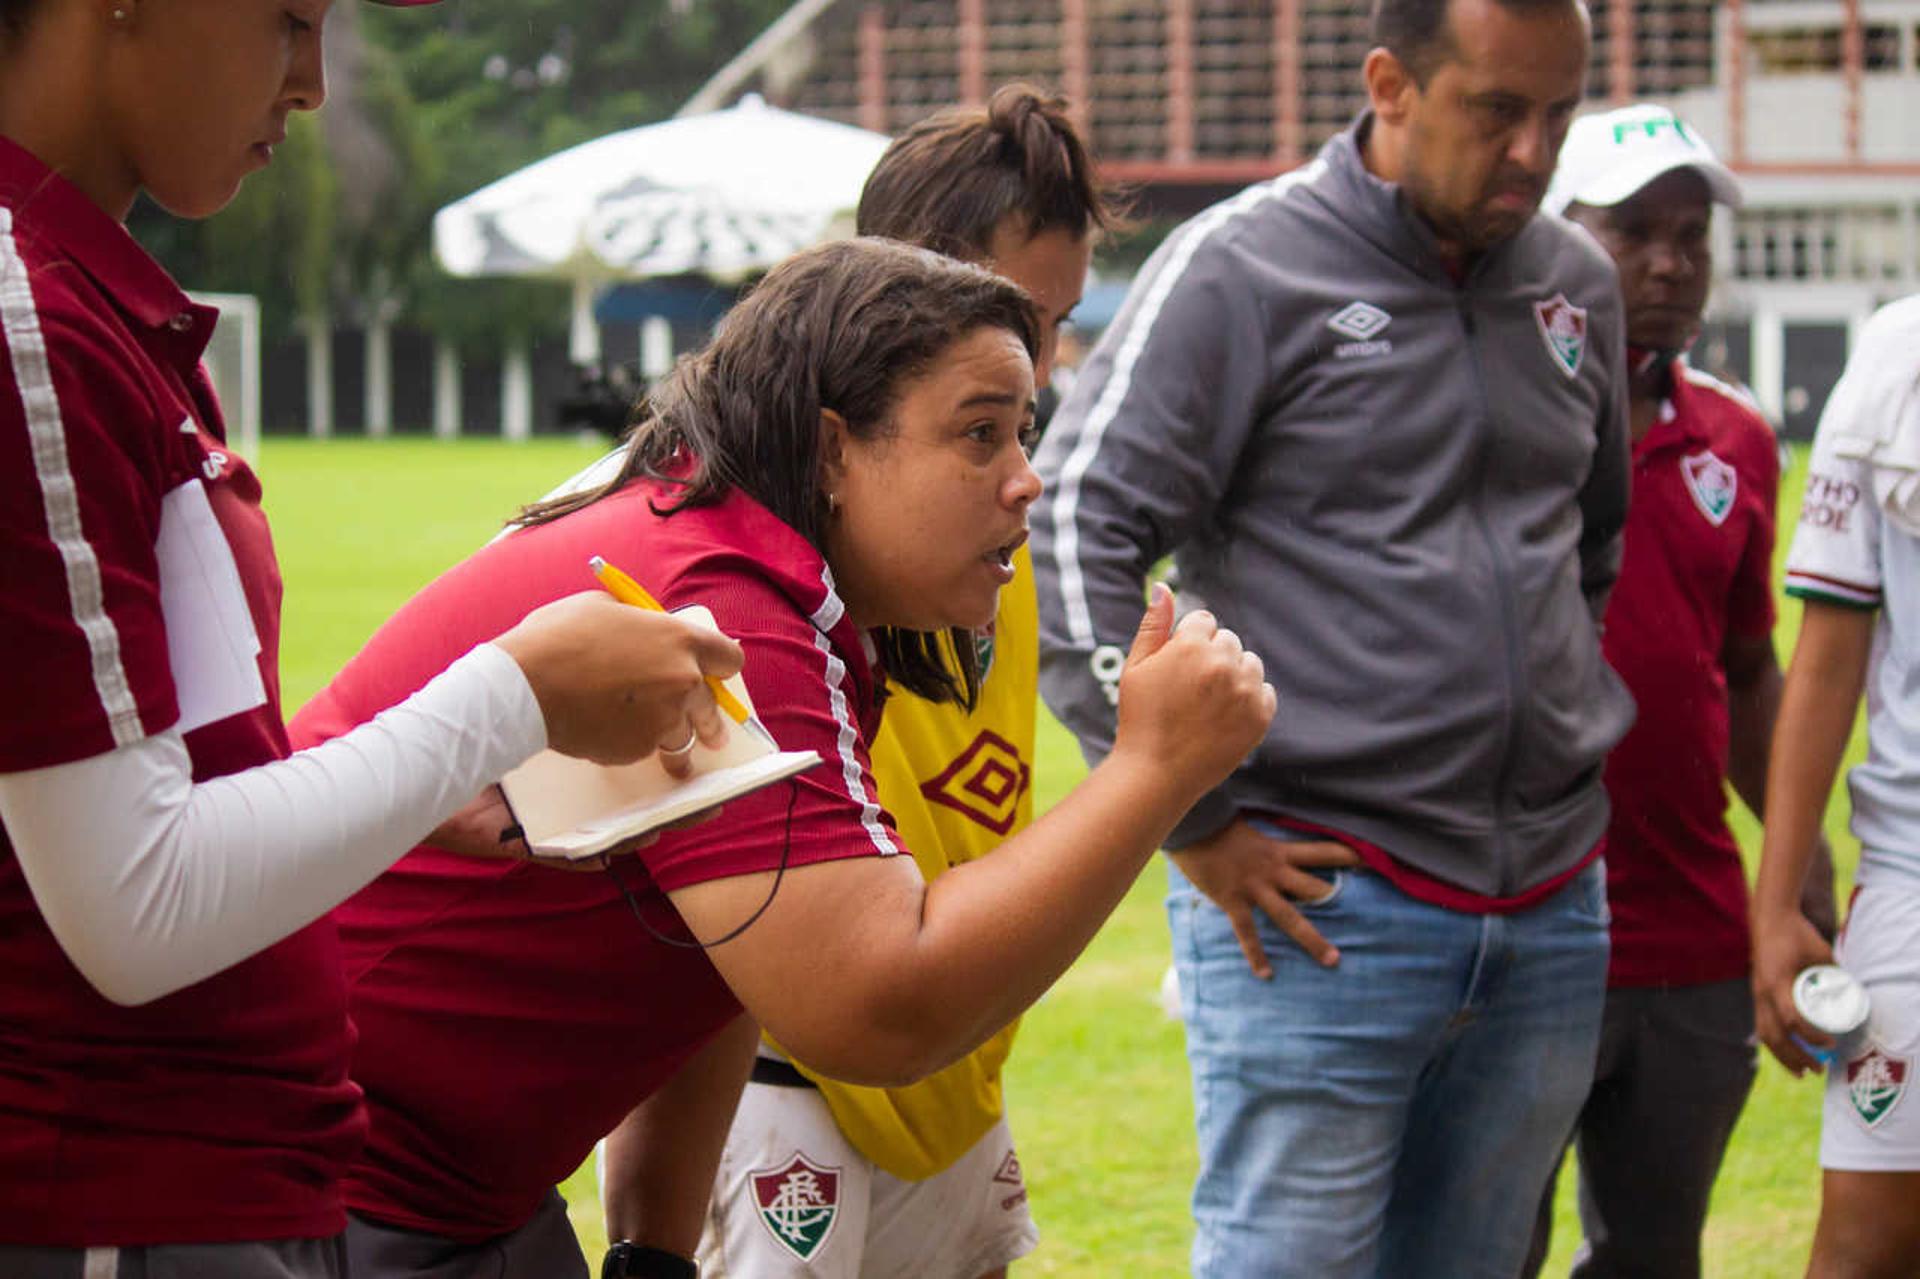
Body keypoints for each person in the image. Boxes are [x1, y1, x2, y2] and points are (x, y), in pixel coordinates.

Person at [287, 237, 1276, 1279]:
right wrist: (1152, 770)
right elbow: (874, 1005)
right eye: (980, 434)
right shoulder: (721, 604)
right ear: (832, 449)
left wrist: (656, 1253)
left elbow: (731, 952)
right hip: (331, 1185)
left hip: (423, 1182)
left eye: (1024, 432)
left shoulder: (766, 581)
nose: (1026, 480)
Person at [0, 1, 755, 1277]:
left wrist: (407, 792)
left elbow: (134, 797)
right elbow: (130, 910)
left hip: (216, 1177)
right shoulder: (32, 326)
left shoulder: (94, 307)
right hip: (111, 1186)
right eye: (289, 20)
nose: (312, 84)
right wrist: (516, 693)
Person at [1029, 0, 1635, 1273]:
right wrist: (1188, 817)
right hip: (1322, 903)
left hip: (1549, 904)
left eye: (1560, 115)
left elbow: (1587, 553)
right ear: (1390, 86)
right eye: (1496, 110)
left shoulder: (1576, 284)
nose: (1534, 153)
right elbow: (1074, 529)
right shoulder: (1244, 268)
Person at [596, 85, 1120, 1279]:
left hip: (954, 1054)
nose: (1038, 366)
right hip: (800, 1061)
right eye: (1017, 321)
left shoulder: (998, 502)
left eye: (1055, 324)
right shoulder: (736, 549)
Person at [1521, 102, 1835, 1279]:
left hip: (1694, 944)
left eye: (1692, 233)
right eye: (1633, 229)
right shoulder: (1492, 420)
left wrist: (1796, 855)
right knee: (1488, 1246)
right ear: (1561, 238)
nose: (1668, 260)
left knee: (1657, 1258)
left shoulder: (1741, 439)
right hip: (1525, 929)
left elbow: (1748, 663)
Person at [1752, 291, 1920, 1278]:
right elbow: (1825, 658)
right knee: (1867, 1244)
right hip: (1911, 878)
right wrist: (1777, 906)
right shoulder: (1898, 354)